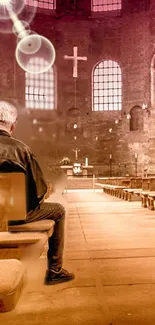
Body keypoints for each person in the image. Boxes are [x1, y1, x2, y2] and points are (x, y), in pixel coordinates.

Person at [0, 101, 74, 285]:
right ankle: (54, 270)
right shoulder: (21, 149)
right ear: (13, 125)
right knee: (58, 209)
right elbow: (38, 192)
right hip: (14, 215)